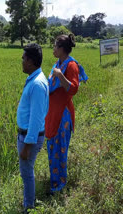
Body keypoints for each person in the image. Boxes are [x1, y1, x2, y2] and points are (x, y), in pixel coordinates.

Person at [45, 34, 88, 194]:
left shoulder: (71, 66)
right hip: (53, 112)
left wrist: (60, 75)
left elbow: (74, 89)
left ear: (62, 49)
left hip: (63, 113)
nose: (53, 49)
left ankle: (60, 183)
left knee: (60, 148)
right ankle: (54, 179)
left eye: (55, 46)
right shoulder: (58, 64)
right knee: (52, 147)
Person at [17, 43, 49, 213]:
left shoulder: (37, 84)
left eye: (23, 58)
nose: (21, 61)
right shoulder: (36, 78)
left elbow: (36, 120)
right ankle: (28, 205)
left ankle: (28, 208)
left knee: (27, 174)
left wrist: (27, 146)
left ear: (30, 61)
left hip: (29, 138)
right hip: (27, 136)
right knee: (27, 172)